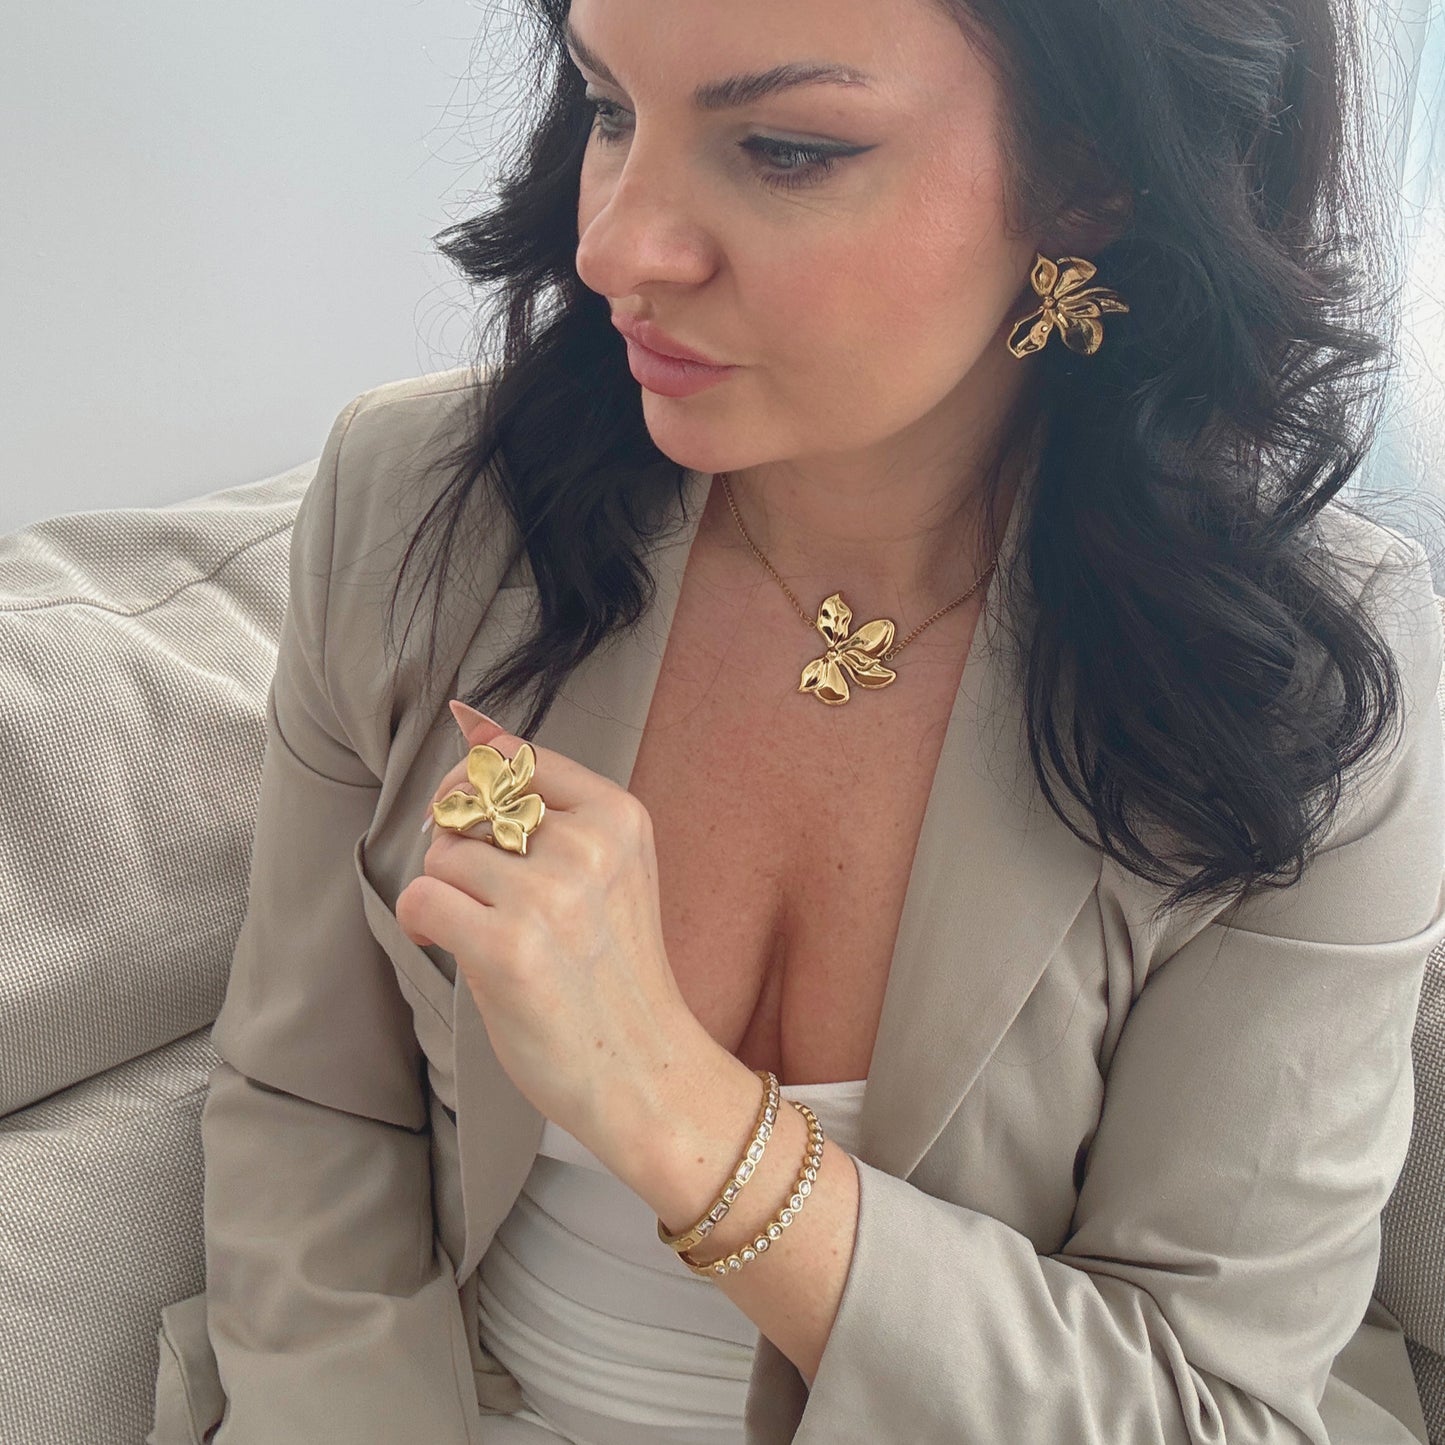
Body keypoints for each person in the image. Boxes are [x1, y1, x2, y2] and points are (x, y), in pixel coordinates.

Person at [149, 0, 1445, 1440]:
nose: (617, 249)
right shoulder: (423, 507)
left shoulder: (1303, 679)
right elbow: (303, 1112)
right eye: (609, 107)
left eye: (781, 149)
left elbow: (1206, 1407)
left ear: (1089, 177)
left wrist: (684, 1116)